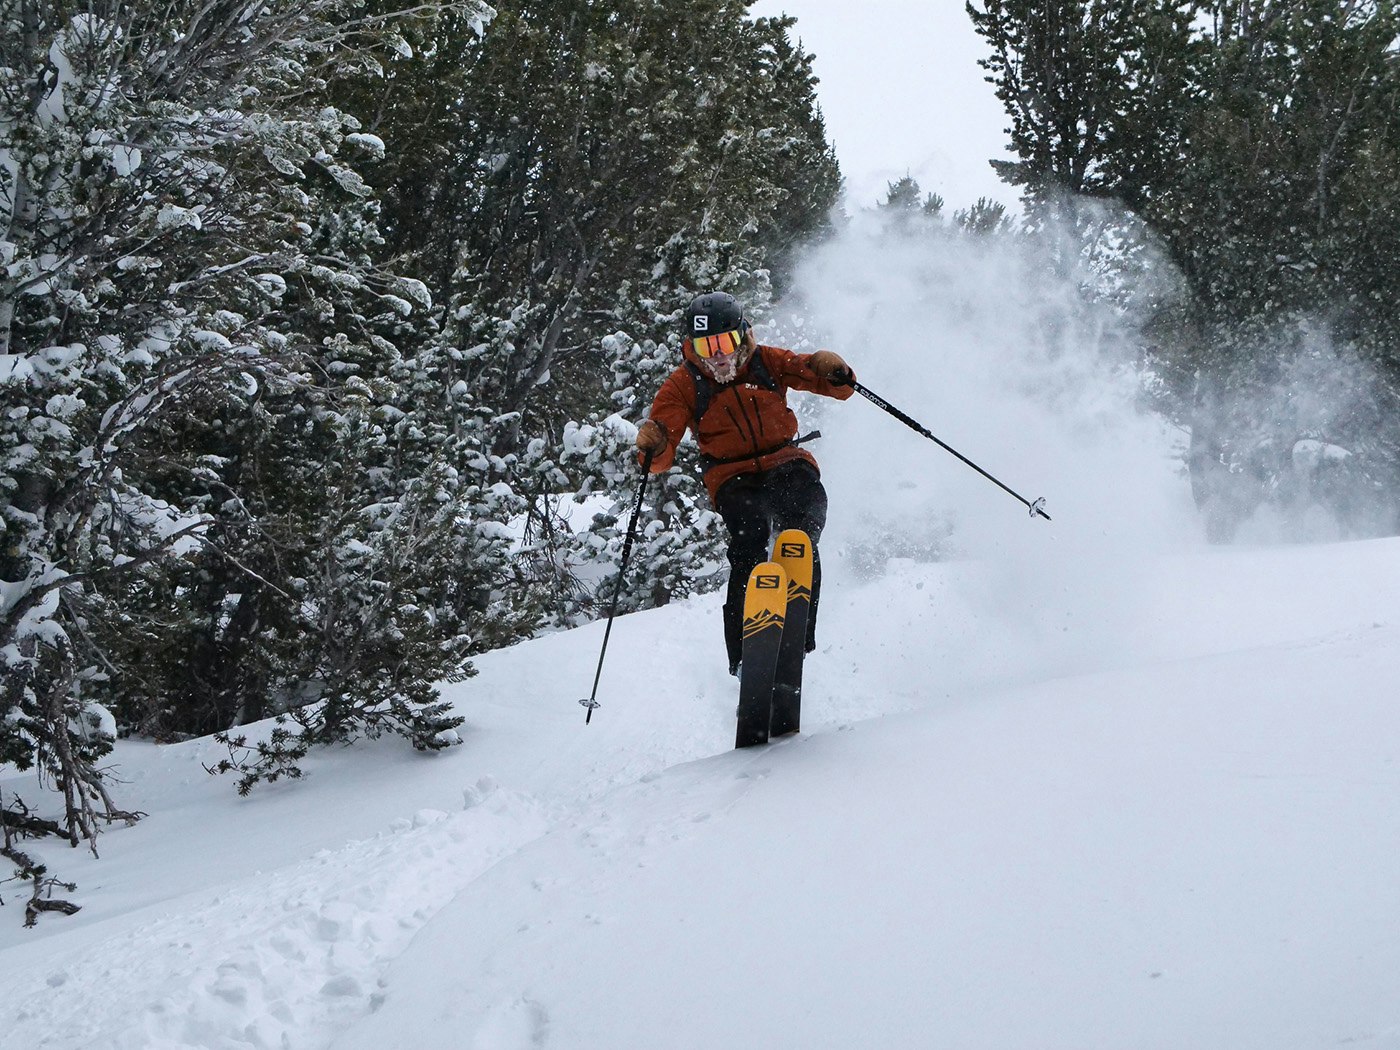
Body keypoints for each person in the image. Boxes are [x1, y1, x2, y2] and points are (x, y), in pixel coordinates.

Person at [635, 292, 855, 674]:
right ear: (692, 345)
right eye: (706, 346)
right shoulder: (684, 384)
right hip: (731, 474)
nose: (718, 355)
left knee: (804, 510)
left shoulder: (765, 361)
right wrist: (654, 446)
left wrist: (832, 372)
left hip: (784, 459)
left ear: (742, 335)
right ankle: (744, 652)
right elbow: (662, 446)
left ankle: (797, 625)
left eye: (725, 342)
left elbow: (814, 374)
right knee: (749, 536)